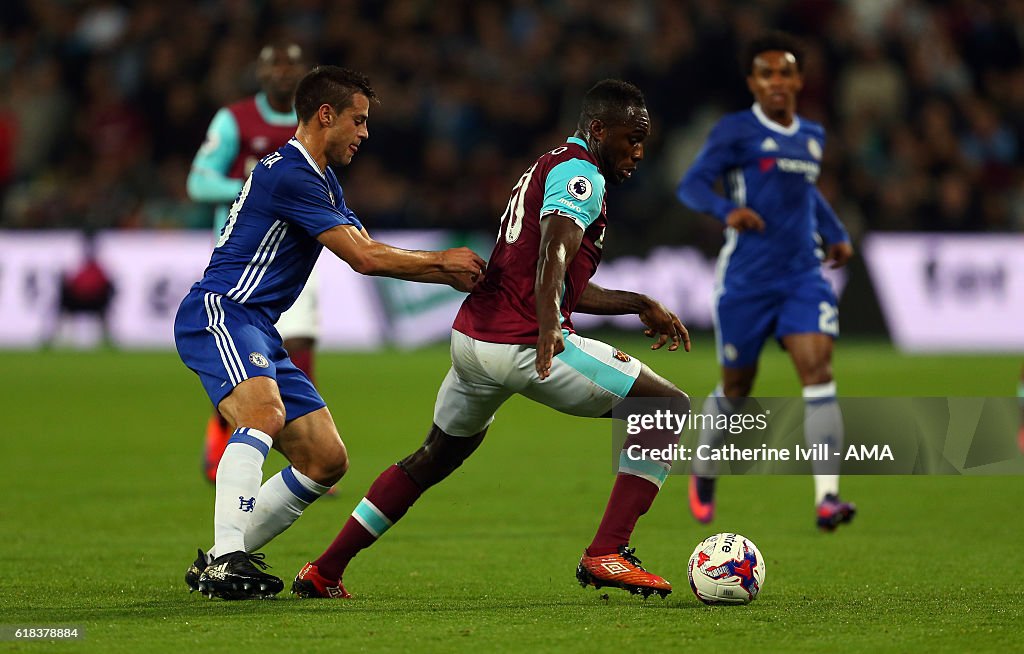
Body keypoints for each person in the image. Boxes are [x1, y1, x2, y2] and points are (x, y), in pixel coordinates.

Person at [292, 79, 692, 601]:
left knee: (434, 456)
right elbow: (554, 251)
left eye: (644, 141)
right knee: (666, 408)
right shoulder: (581, 175)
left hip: (473, 340)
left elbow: (560, 274)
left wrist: (638, 303)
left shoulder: (547, 165)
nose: (638, 152)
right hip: (525, 342)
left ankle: (324, 569)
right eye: (630, 139)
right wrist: (550, 325)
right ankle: (606, 552)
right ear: (597, 130)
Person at [174, 66, 487, 600]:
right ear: (326, 115)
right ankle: (229, 557)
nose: (365, 134)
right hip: (222, 311)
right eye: (358, 121)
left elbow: (369, 247)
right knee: (263, 415)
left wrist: (449, 273)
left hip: (259, 327)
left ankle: (224, 556)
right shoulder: (290, 172)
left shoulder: (321, 179)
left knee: (325, 459)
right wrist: (442, 261)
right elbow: (362, 257)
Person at [676, 31, 856, 531]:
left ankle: (827, 497)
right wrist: (725, 208)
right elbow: (691, 184)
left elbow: (805, 195)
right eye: (766, 73)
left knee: (818, 372)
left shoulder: (813, 135)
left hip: (802, 274)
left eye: (785, 72)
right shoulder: (735, 131)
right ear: (752, 83)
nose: (776, 81)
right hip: (745, 282)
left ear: (799, 79)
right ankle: (705, 466)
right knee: (737, 387)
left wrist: (834, 232)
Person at [187, 42, 315, 485]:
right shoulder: (235, 119)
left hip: (298, 249)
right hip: (244, 255)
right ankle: (219, 437)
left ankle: (304, 450)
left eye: (292, 64)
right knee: (240, 354)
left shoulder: (316, 122)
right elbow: (198, 182)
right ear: (259, 74)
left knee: (301, 341)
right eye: (275, 64)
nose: (283, 71)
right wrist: (252, 184)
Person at [46, 233, 115, 347]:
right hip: (80, 301)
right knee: (63, 300)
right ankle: (52, 336)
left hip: (94, 302)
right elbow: (73, 284)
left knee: (103, 307)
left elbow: (105, 286)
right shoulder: (83, 269)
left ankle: (107, 337)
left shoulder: (98, 270)